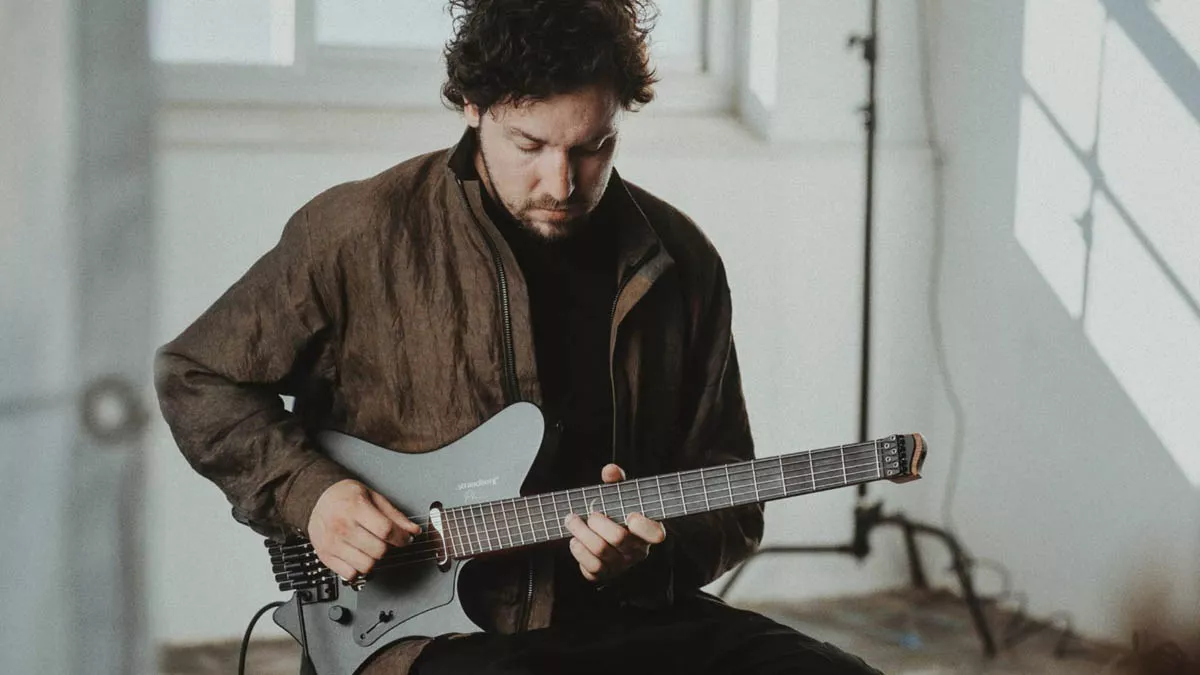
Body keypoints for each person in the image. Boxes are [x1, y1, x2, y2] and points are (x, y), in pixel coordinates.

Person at [154, 1, 883, 673]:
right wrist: (313, 495)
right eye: (529, 144)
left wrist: (647, 557)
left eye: (594, 147)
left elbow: (730, 494)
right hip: (424, 638)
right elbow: (196, 374)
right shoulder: (358, 232)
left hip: (623, 615)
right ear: (473, 107)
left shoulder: (681, 260)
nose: (562, 183)